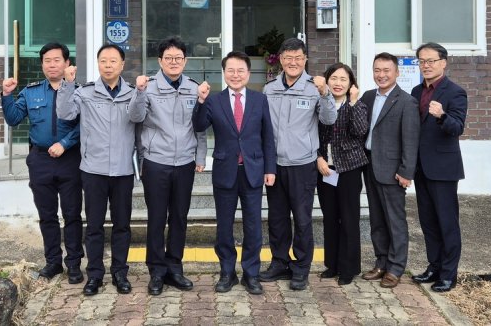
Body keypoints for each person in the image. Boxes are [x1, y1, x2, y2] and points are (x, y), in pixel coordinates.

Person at [57, 44, 139, 296]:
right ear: (98, 64)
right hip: (94, 170)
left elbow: (140, 121)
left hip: (123, 170)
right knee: (94, 226)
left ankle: (120, 273)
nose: (108, 65)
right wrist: (67, 84)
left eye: (113, 61)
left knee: (122, 225)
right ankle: (94, 275)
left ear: (122, 65)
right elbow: (65, 113)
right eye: (103, 61)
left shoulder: (133, 94)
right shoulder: (85, 93)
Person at [127, 36, 207, 295]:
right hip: (156, 162)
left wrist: (201, 157)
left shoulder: (194, 88)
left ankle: (175, 268)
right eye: (169, 58)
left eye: (178, 58)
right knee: (157, 217)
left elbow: (200, 127)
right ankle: (156, 271)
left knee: (180, 217)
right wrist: (139, 92)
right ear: (160, 61)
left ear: (185, 61)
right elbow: (135, 117)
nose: (174, 62)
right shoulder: (148, 87)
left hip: (184, 162)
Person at [193, 51, 277, 295]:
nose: (236, 75)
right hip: (225, 171)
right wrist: (200, 101)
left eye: (241, 70)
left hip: (253, 171)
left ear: (248, 73)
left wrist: (270, 169)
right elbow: (199, 125)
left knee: (253, 226)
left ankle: (251, 274)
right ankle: (227, 272)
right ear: (224, 73)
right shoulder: (214, 100)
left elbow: (268, 137)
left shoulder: (259, 100)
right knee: (224, 226)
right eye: (231, 70)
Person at [0, 41, 83, 284]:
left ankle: (74, 264)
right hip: (40, 160)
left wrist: (65, 143)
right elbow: (13, 118)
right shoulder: (31, 91)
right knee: (47, 215)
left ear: (67, 63)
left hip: (70, 159)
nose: (52, 65)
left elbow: (85, 125)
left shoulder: (79, 91)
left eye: (57, 60)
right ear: (42, 65)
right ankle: (53, 262)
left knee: (72, 214)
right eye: (47, 61)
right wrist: (7, 95)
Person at [258, 38, 337, 291]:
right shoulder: (269, 89)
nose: (293, 62)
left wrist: (325, 93)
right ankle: (279, 263)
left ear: (305, 60)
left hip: (303, 164)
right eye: (288, 58)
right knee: (277, 218)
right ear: (281, 59)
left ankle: (301, 268)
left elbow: (329, 119)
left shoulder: (315, 88)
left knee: (302, 219)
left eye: (298, 58)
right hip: (275, 165)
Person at [411, 42, 468, 293]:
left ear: (443, 63)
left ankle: (448, 274)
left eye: (431, 61)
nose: (426, 65)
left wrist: (442, 116)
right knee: (428, 222)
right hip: (421, 168)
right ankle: (433, 267)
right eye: (422, 61)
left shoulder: (455, 92)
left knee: (447, 223)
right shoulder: (416, 91)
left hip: (443, 169)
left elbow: (458, 128)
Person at [360, 52, 420, 289]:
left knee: (395, 221)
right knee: (377, 219)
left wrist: (406, 171)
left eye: (386, 70)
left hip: (393, 170)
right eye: (377, 70)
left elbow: (411, 140)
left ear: (397, 72)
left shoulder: (406, 101)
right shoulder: (367, 97)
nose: (381, 75)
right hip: (369, 166)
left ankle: (395, 268)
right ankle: (381, 262)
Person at [315, 62, 368, 286]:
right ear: (327, 80)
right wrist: (318, 157)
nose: (338, 83)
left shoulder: (357, 104)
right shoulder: (319, 102)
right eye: (334, 78)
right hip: (325, 169)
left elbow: (360, 131)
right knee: (329, 217)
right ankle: (332, 265)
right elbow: (313, 133)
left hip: (349, 169)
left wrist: (354, 102)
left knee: (348, 218)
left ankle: (349, 268)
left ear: (351, 83)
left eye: (343, 79)